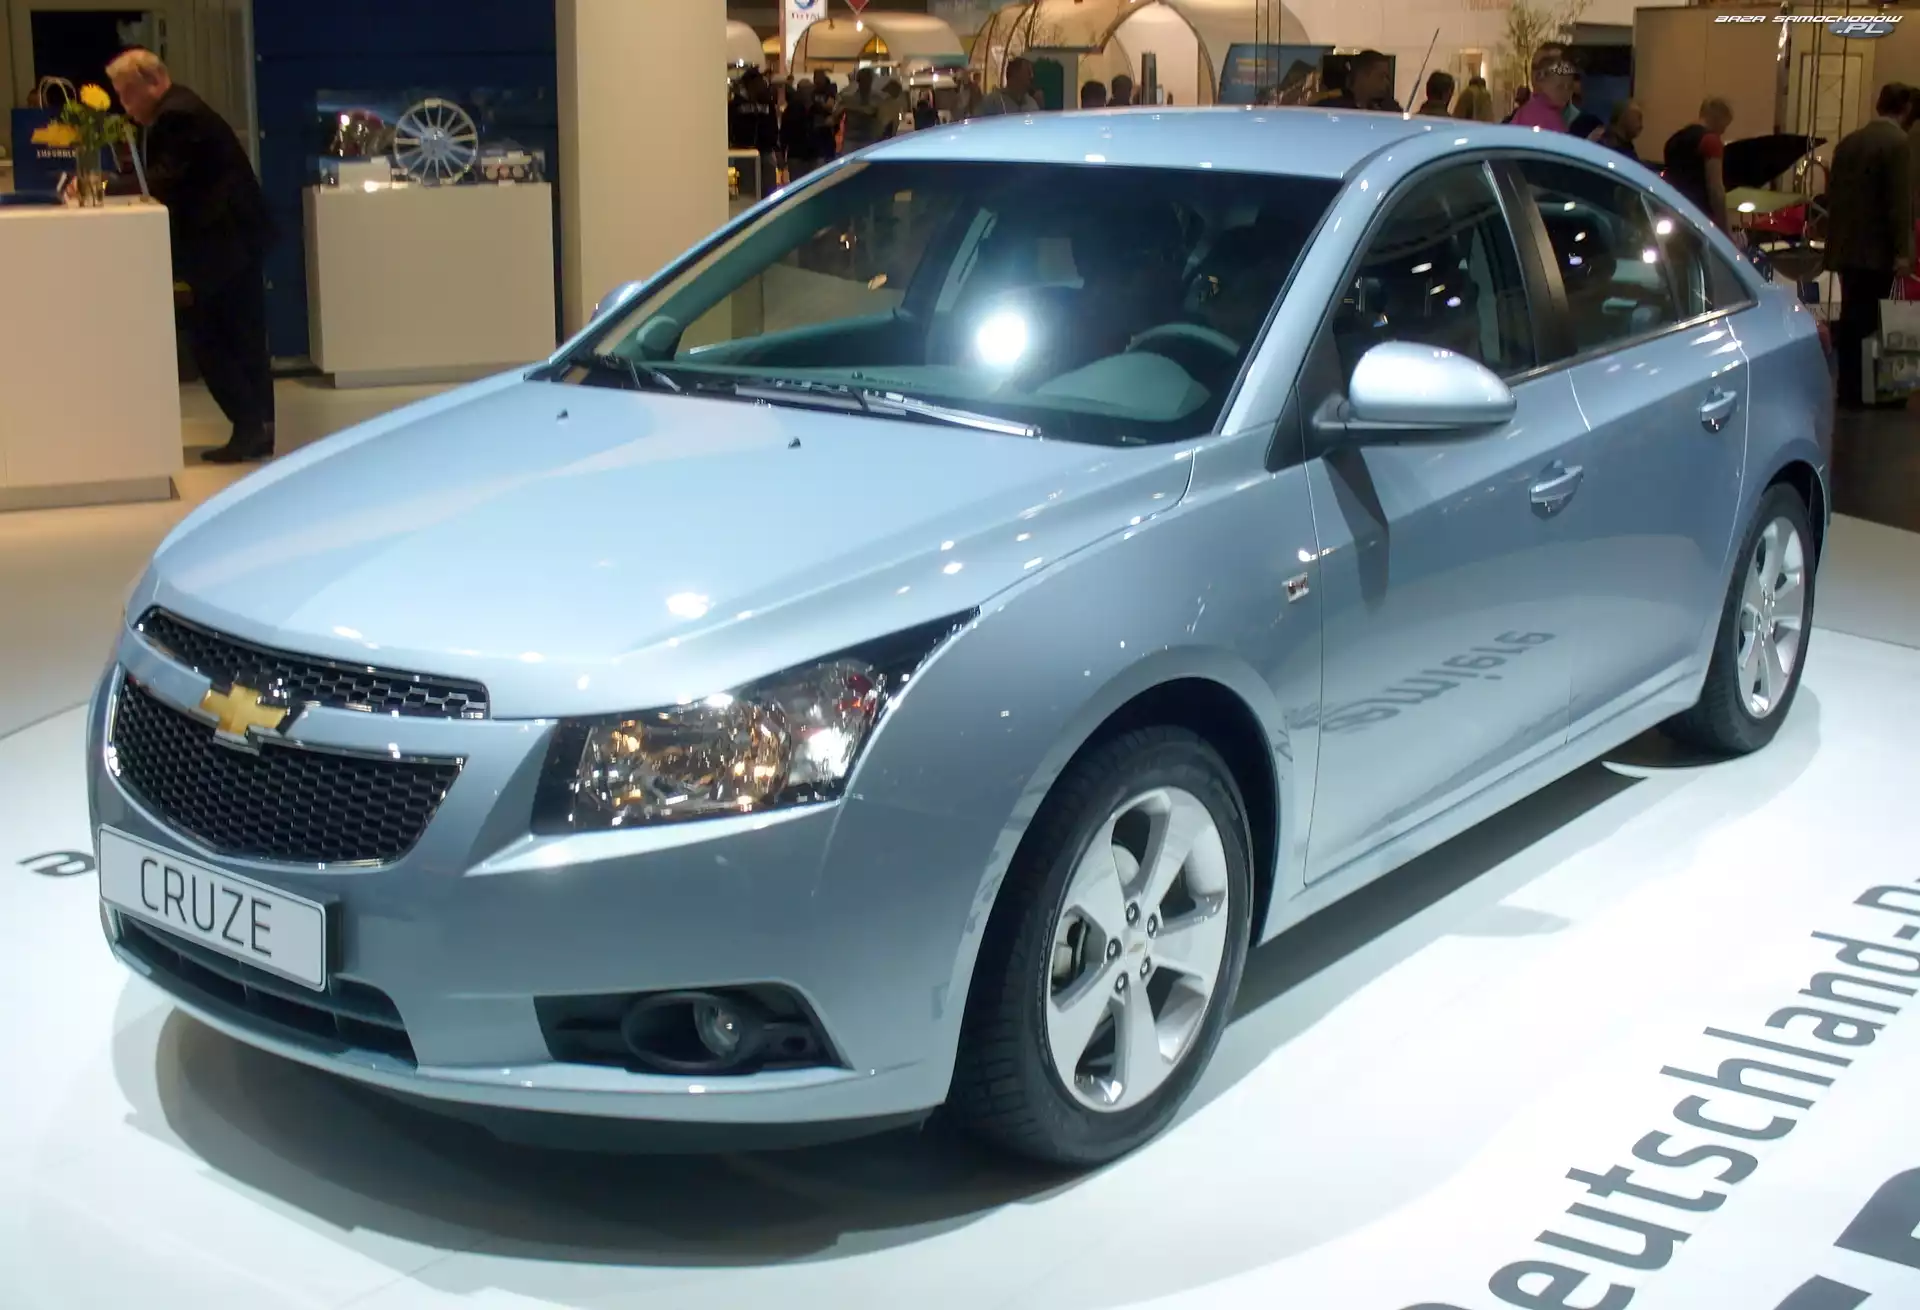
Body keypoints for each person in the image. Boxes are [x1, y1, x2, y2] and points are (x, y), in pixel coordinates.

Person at [107, 48, 275, 464]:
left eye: (128, 94)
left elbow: (165, 179)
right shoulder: (181, 109)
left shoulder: (176, 116)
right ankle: (257, 428)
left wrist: (107, 187)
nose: (125, 105)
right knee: (242, 335)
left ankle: (249, 425)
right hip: (234, 240)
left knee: (210, 338)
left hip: (222, 244)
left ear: (153, 82)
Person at [1826, 82, 1917, 408]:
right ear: (1906, 109)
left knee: (1852, 317)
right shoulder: (1898, 144)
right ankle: (1875, 389)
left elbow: (1834, 196)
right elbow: (1899, 203)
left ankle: (1849, 389)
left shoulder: (1849, 142)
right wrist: (1903, 252)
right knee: (1875, 321)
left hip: (1847, 247)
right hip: (1878, 251)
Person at [1663, 96, 1735, 231]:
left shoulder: (1673, 141)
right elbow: (1716, 190)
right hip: (1699, 219)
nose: (1723, 131)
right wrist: (1725, 229)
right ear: (1718, 117)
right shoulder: (1711, 141)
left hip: (1672, 212)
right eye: (1724, 125)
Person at [1320, 50, 1402, 113]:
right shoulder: (1334, 109)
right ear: (1362, 76)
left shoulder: (1388, 108)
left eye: (1387, 78)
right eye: (1381, 76)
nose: (1387, 83)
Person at [1510, 56, 1576, 132]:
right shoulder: (1538, 114)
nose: (1565, 92)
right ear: (1543, 84)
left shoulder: (1529, 108)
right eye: (1560, 87)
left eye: (1570, 87)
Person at [838, 67, 886, 153]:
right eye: (864, 79)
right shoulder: (848, 97)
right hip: (851, 140)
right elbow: (837, 114)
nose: (866, 82)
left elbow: (882, 121)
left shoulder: (877, 99)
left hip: (869, 140)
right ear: (858, 80)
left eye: (868, 79)